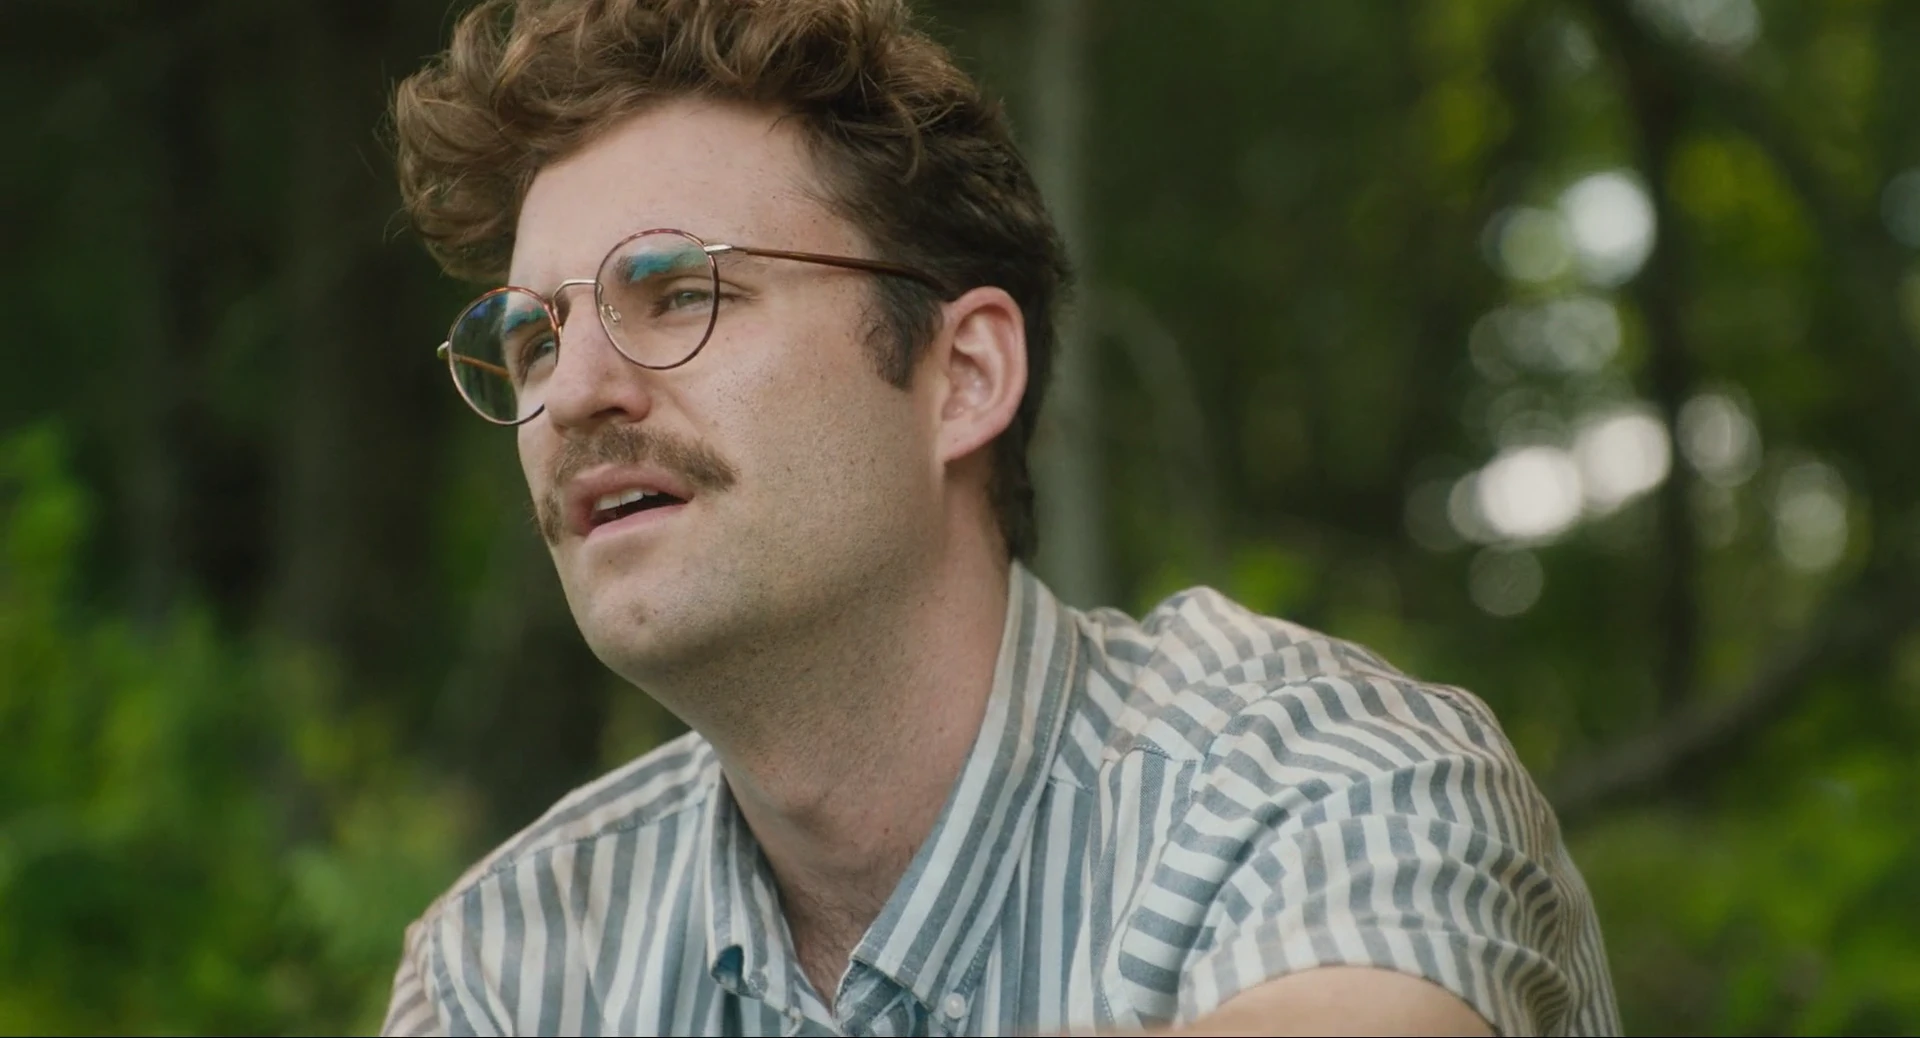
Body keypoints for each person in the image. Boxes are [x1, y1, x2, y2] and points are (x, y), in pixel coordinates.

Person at [380, 0, 1620, 1034]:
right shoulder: (507, 966)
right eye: (533, 339)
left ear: (963, 377)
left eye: (680, 292)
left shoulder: (1323, 782)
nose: (574, 392)